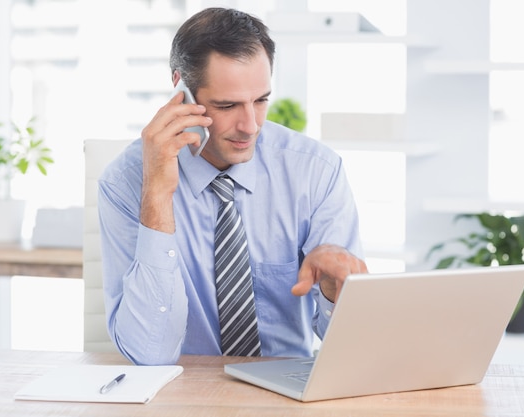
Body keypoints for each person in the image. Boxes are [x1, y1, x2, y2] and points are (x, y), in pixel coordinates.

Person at [98, 7, 368, 366]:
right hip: (181, 394)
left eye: (261, 100)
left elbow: (353, 349)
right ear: (182, 89)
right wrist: (157, 197)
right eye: (227, 105)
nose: (250, 125)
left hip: (284, 392)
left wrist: (336, 295)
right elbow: (150, 353)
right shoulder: (125, 183)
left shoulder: (314, 172)